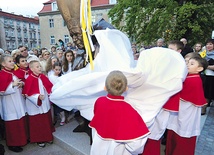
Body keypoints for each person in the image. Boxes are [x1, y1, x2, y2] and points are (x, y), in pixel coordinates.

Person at [141, 40, 187, 155]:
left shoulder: (179, 64)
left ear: (179, 51)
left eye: (171, 49)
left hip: (166, 101)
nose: (168, 51)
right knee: (151, 127)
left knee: (157, 129)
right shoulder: (169, 61)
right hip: (157, 99)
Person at [89, 70, 150, 155]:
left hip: (98, 148)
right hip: (118, 151)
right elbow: (136, 145)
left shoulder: (99, 102)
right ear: (126, 89)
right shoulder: (129, 110)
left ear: (105, 87)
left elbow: (96, 126)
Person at [166, 56, 208, 155]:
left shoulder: (194, 79)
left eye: (192, 64)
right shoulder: (189, 76)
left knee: (183, 135)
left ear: (199, 69)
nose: (188, 65)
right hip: (182, 111)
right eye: (188, 63)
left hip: (187, 113)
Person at [22, 60, 54, 148]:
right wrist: (37, 97)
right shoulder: (29, 79)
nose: (39, 68)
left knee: (45, 120)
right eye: (37, 67)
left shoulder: (42, 76)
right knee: (37, 123)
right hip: (35, 105)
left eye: (40, 66)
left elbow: (49, 87)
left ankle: (47, 137)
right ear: (31, 69)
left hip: (44, 103)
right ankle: (39, 139)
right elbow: (27, 94)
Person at [0, 54, 28, 152]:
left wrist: (22, 84)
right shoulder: (2, 74)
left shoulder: (14, 73)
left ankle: (22, 140)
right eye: (10, 61)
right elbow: (1, 91)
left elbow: (22, 81)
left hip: (18, 100)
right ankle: (12, 144)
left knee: (20, 121)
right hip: (9, 103)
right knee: (12, 124)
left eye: (12, 61)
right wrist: (12, 85)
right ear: (3, 64)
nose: (13, 63)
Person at [200, 39, 214, 115]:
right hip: (203, 75)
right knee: (203, 92)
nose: (208, 46)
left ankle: (204, 108)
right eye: (207, 44)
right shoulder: (203, 54)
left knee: (208, 92)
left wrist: (206, 66)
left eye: (211, 44)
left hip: (211, 76)